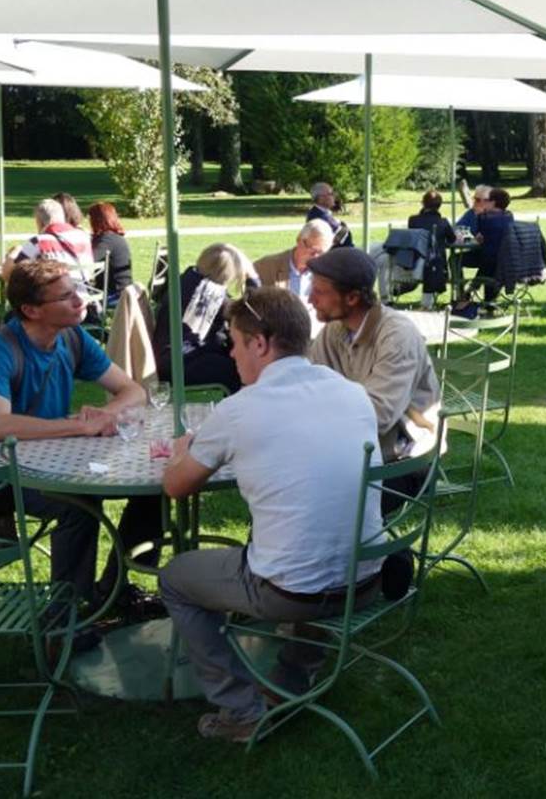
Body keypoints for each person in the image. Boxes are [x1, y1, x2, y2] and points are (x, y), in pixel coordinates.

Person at [158, 286, 383, 742]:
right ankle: (292, 677)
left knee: (175, 578)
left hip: (296, 592)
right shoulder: (352, 393)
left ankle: (240, 711)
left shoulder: (241, 408)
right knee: (306, 545)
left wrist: (182, 450)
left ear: (260, 343)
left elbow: (175, 486)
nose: (233, 356)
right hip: (366, 578)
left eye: (235, 343)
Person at [0, 259, 160, 619]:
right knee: (79, 506)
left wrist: (106, 415)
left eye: (76, 291)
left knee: (156, 488)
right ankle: (65, 619)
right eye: (66, 296)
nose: (80, 301)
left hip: (61, 458)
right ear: (31, 310)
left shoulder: (72, 337)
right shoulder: (0, 347)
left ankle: (116, 590)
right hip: (6, 472)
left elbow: (133, 390)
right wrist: (79, 426)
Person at [305, 248, 442, 467]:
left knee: (304, 484)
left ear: (351, 298)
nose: (310, 299)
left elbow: (378, 415)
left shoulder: (397, 337)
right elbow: (308, 385)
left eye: (319, 291)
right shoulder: (334, 330)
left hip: (404, 458)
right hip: (353, 446)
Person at [154, 243, 254, 394]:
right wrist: (253, 278)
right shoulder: (208, 293)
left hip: (172, 356)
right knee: (241, 367)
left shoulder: (189, 279)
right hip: (179, 363)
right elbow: (249, 312)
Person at [4, 198, 94, 281]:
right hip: (84, 296)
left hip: (54, 296)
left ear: (39, 222)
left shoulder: (39, 241)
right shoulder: (84, 237)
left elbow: (9, 274)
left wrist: (13, 254)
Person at [254, 220, 334, 305]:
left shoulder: (327, 274)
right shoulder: (266, 267)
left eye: (321, 253)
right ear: (299, 240)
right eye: (313, 250)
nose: (316, 257)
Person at [406, 189, 456, 305]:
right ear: (439, 206)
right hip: (435, 266)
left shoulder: (413, 220)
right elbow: (452, 240)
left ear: (423, 203)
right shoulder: (442, 222)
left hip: (414, 263)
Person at [87, 202, 133, 302]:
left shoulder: (107, 240)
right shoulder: (114, 237)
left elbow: (88, 262)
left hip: (116, 295)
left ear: (97, 220)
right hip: (123, 290)